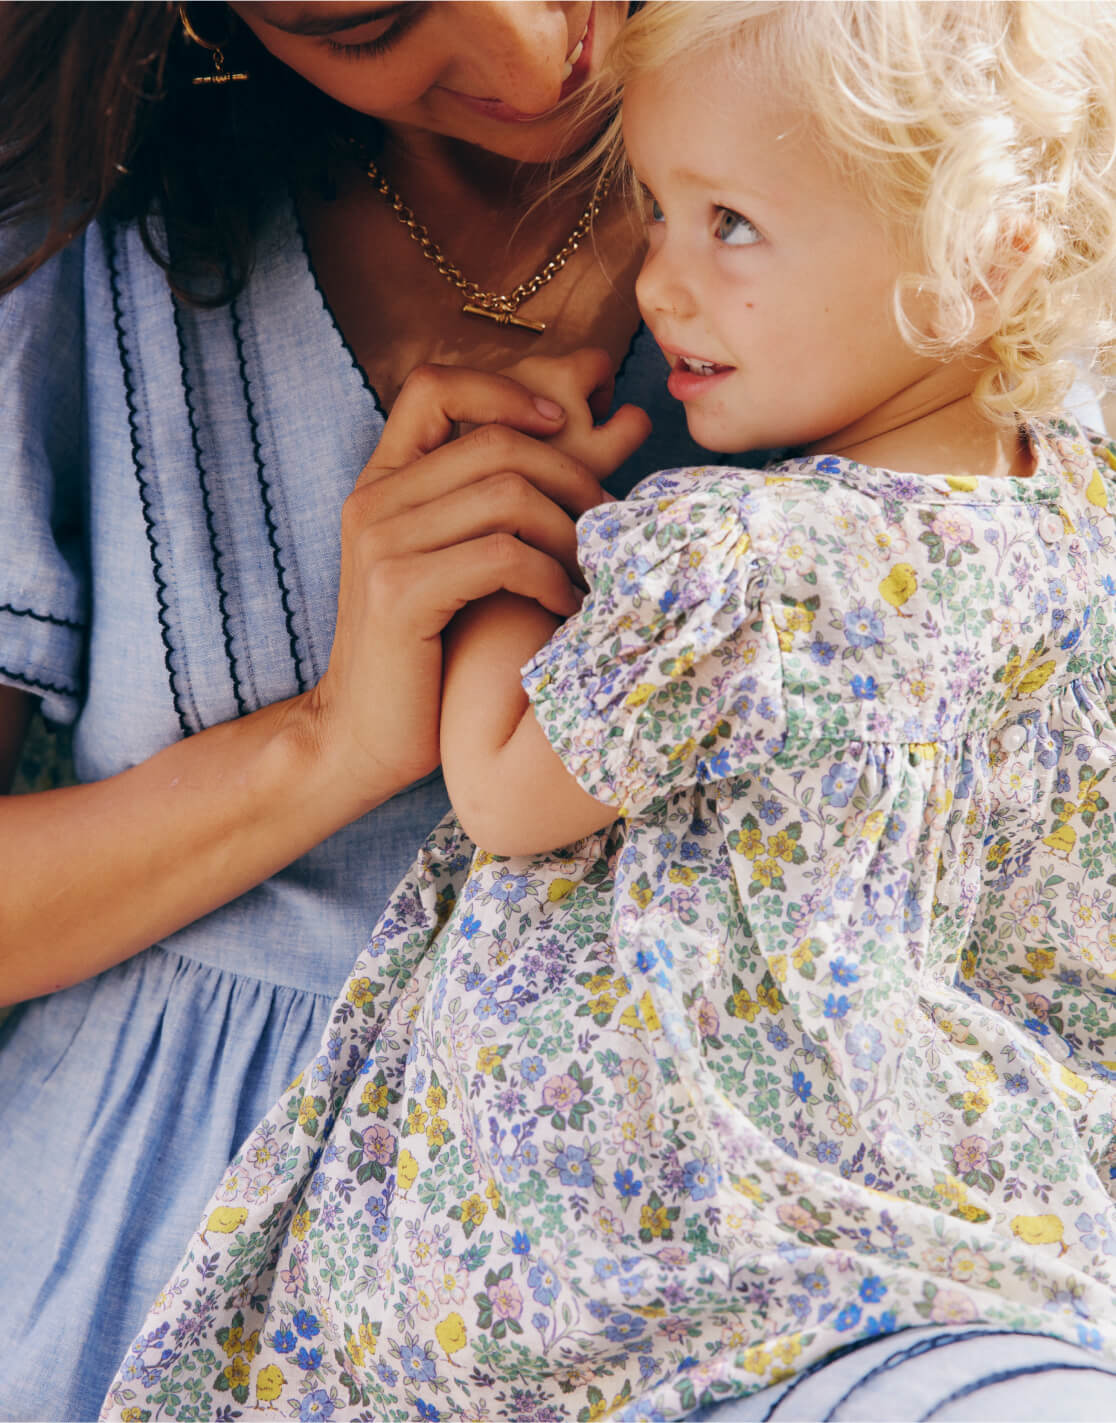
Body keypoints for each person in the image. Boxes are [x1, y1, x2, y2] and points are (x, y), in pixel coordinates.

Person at [99, 1, 1116, 1420]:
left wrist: (520, 526)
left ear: (983, 257)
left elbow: (507, 791)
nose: (660, 280)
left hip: (610, 1255)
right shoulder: (1079, 520)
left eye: (730, 226)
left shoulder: (729, 561)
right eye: (653, 208)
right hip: (957, 1240)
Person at [0, 3, 730, 1418]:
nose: (534, 57)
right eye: (368, 22)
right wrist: (329, 746)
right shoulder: (63, 230)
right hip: (126, 1289)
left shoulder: (942, 149)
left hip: (711, 1288)